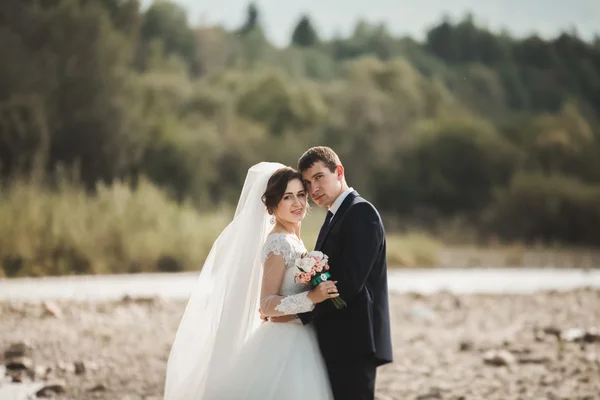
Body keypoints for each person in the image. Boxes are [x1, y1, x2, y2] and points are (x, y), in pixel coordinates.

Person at [163, 162, 336, 400]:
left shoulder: (293, 240)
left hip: (300, 336)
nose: (297, 203)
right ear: (273, 204)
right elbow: (266, 305)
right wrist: (312, 297)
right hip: (283, 341)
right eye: (287, 197)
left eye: (300, 195)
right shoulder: (278, 244)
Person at [267, 146, 393, 400]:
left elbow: (348, 283)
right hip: (336, 340)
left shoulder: (361, 213)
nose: (313, 189)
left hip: (354, 340)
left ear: (339, 172)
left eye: (319, 177)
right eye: (308, 183)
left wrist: (299, 314)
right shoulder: (336, 215)